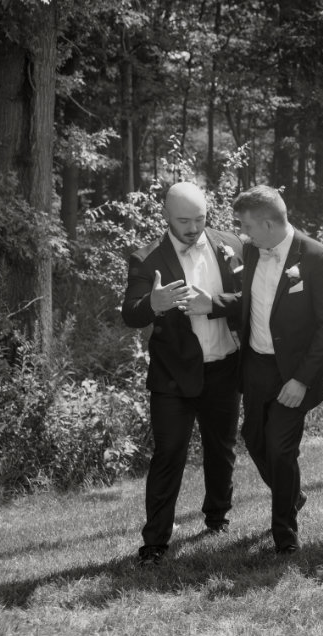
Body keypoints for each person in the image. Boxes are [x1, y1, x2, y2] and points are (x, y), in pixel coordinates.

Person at [122, 182, 243, 567]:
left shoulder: (232, 245)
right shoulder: (146, 258)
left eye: (200, 219)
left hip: (225, 366)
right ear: (165, 216)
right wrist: (152, 304)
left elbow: (252, 300)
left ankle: (218, 518)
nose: (193, 228)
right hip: (172, 375)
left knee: (221, 449)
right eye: (183, 221)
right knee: (168, 454)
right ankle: (155, 543)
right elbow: (130, 313)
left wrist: (216, 304)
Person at [233, 186, 323, 552]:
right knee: (253, 439)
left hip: (295, 372)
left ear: (268, 223)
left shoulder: (317, 257)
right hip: (256, 365)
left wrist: (301, 379)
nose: (243, 233)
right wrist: (213, 305)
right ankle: (292, 494)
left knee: (280, 448)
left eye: (247, 226)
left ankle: (285, 535)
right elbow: (250, 300)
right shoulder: (252, 250)